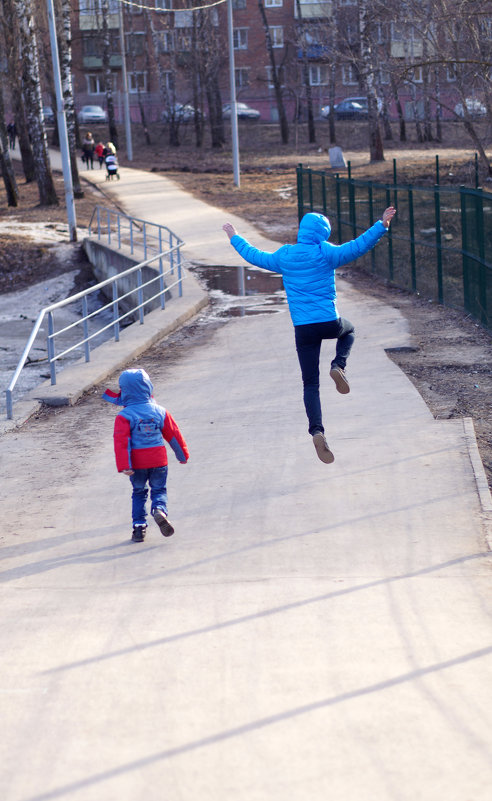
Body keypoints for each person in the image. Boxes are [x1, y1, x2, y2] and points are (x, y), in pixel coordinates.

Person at [222, 206, 396, 464]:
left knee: (310, 384)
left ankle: (317, 430)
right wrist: (380, 226)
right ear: (323, 234)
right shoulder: (326, 252)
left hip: (303, 329)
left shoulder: (285, 255)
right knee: (349, 330)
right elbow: (357, 246)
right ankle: (338, 365)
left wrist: (235, 237)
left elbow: (255, 256)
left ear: (302, 231)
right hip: (329, 321)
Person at [103, 368, 189, 542]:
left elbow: (121, 443)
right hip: (159, 460)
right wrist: (182, 455)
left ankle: (139, 527)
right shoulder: (160, 411)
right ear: (148, 387)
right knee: (159, 490)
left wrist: (124, 466)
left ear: (124, 391)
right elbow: (173, 435)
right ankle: (159, 510)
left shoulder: (124, 416)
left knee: (139, 493)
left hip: (137, 463)